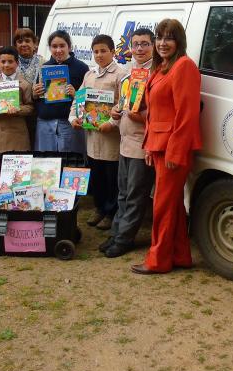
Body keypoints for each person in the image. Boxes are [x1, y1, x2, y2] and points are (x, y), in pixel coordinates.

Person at [131, 19, 202, 275]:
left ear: (179, 41)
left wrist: (175, 150)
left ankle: (158, 260)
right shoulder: (162, 67)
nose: (162, 43)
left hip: (173, 148)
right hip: (160, 145)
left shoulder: (184, 66)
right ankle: (181, 256)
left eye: (168, 38)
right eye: (159, 37)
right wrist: (150, 146)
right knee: (172, 205)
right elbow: (156, 112)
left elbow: (187, 114)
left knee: (162, 206)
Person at [100, 28, 156, 258]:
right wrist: (116, 112)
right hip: (125, 141)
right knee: (122, 193)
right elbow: (123, 103)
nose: (139, 49)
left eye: (145, 44)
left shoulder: (156, 74)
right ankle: (116, 234)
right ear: (130, 47)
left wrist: (140, 116)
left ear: (153, 46)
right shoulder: (128, 73)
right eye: (136, 44)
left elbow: (161, 114)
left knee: (135, 195)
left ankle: (124, 239)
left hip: (142, 143)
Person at [70, 34, 124, 230]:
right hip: (92, 136)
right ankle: (99, 208)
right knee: (97, 176)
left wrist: (112, 122)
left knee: (112, 178)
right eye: (96, 51)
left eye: (103, 51)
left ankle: (111, 212)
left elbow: (124, 103)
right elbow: (78, 99)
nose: (99, 55)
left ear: (113, 52)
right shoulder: (89, 75)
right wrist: (73, 118)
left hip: (110, 137)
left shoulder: (120, 74)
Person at [0, 46, 34, 192]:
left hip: (17, 135)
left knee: (18, 172)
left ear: (17, 63)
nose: (6, 65)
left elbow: (31, 107)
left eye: (10, 61)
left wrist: (19, 109)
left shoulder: (24, 85)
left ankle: (19, 199)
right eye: (3, 62)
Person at [33, 30, 88, 155]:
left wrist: (76, 94)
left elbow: (88, 100)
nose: (58, 50)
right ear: (50, 48)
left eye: (62, 46)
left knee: (69, 160)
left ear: (69, 47)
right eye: (54, 46)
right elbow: (36, 98)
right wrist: (35, 93)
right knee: (46, 161)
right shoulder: (44, 68)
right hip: (45, 124)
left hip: (68, 123)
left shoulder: (82, 68)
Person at [13, 28, 44, 148]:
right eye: (20, 42)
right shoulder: (11, 63)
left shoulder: (44, 63)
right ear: (15, 45)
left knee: (37, 146)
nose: (24, 44)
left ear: (35, 44)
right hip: (18, 113)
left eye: (27, 41)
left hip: (39, 113)